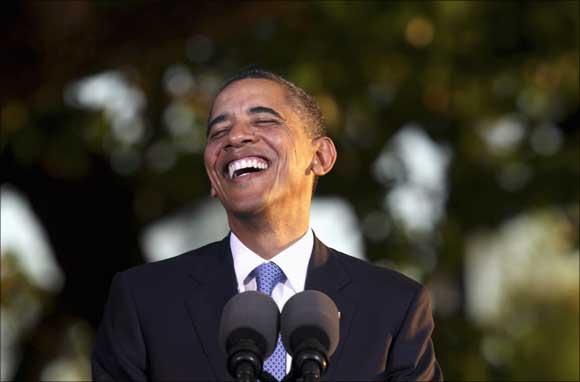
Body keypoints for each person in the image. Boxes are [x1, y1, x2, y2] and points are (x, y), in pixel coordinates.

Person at [92, 69, 443, 381]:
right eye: (219, 131)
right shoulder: (144, 300)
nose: (236, 137)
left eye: (263, 121)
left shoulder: (394, 307)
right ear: (213, 179)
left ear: (320, 156)